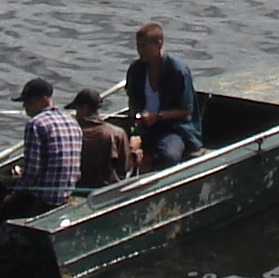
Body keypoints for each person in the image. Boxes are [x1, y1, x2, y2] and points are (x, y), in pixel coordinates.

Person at [0, 77, 81, 217]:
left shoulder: (35, 124)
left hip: (42, 199)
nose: (25, 107)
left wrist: (12, 196)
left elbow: (31, 172)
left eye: (29, 102)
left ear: (45, 99)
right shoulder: (72, 122)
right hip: (64, 194)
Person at [123, 22, 202, 169]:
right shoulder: (136, 70)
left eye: (144, 46)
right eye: (138, 46)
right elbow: (132, 105)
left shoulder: (177, 70)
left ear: (159, 44)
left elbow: (187, 109)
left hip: (173, 128)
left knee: (169, 156)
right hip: (143, 125)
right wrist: (135, 132)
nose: (140, 51)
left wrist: (157, 116)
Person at [71, 88, 138, 188]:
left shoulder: (71, 132)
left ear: (84, 109)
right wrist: (134, 153)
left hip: (77, 185)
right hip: (105, 189)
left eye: (77, 110)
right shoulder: (116, 133)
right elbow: (125, 168)